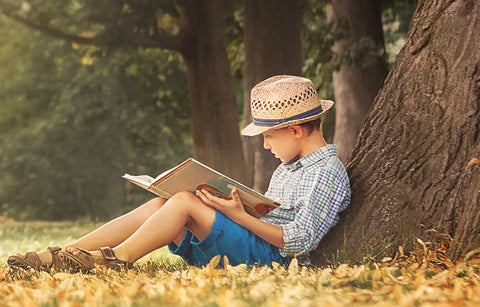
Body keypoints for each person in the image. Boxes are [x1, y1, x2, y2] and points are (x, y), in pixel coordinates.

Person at [7, 75, 351, 271]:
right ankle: (66, 254)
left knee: (185, 202)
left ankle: (116, 260)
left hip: (271, 257)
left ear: (294, 130)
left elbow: (299, 241)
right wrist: (233, 206)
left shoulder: (327, 173)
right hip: (254, 241)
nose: (265, 146)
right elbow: (270, 215)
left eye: (268, 136)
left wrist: (237, 216)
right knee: (162, 204)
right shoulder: (289, 169)